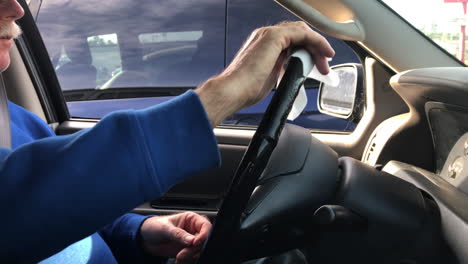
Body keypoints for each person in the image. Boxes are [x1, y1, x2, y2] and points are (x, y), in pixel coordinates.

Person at [0, 0, 335, 263]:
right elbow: (13, 209)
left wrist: (139, 233)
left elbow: (56, 212)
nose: (15, 9)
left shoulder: (18, 120)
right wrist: (224, 93)